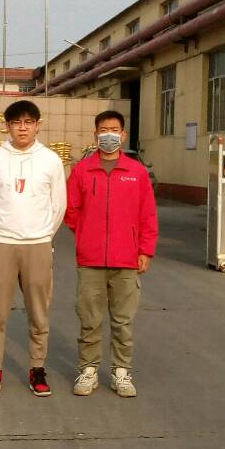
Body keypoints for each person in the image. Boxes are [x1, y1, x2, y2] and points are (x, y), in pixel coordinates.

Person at [65, 109, 158, 398]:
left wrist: (145, 250)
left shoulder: (136, 172)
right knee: (89, 319)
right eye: (103, 130)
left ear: (123, 134)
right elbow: (71, 210)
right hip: (90, 260)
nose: (109, 135)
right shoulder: (82, 170)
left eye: (114, 130)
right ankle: (88, 370)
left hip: (126, 259)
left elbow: (148, 215)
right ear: (95, 134)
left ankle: (121, 372)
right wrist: (87, 234)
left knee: (123, 321)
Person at [0, 99, 67, 397]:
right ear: (8, 126)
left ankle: (37, 369)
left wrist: (43, 234)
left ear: (38, 125)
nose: (23, 128)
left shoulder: (50, 160)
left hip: (38, 244)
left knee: (39, 313)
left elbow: (58, 204)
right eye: (17, 122)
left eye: (29, 122)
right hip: (2, 243)